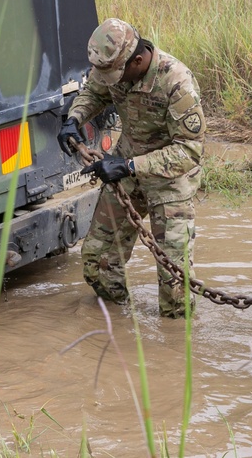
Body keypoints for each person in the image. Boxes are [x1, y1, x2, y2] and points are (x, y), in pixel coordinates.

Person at [58, 18, 205, 318]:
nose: (111, 81)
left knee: (174, 293)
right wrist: (73, 120)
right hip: (124, 170)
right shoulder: (114, 66)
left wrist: (128, 166)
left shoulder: (177, 82)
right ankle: (118, 327)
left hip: (169, 183)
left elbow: (189, 151)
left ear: (138, 61)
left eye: (115, 75)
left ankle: (173, 351)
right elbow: (93, 93)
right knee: (98, 262)